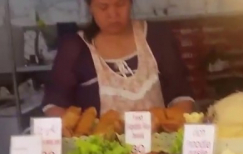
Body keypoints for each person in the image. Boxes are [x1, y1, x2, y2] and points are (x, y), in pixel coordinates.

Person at [43, 0, 194, 116]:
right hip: (99, 152)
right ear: (90, 7)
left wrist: (176, 121)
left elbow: (181, 94)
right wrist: (71, 130)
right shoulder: (74, 47)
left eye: (120, 4)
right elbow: (55, 102)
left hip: (159, 146)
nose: (113, 14)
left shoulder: (157, 36)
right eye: (103, 7)